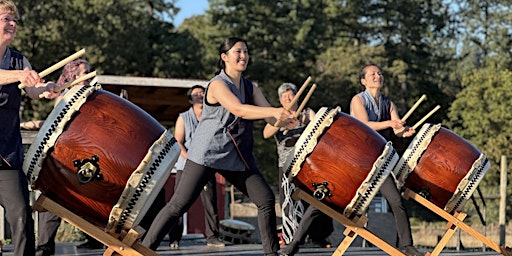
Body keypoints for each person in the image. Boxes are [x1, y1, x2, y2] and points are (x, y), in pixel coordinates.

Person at [141, 37, 292, 255]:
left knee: (266, 199)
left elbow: (271, 119)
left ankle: (272, 254)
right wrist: (274, 112)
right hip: (206, 154)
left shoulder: (251, 87)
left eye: (246, 52)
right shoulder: (217, 84)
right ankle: (145, 250)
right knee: (178, 205)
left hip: (236, 154)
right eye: (238, 51)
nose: (243, 56)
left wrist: (286, 120)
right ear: (224, 57)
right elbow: (239, 109)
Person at [0, 1, 60, 255]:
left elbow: (31, 88)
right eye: (6, 18)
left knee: (22, 216)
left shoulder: (17, 59)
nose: (12, 24)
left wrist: (45, 89)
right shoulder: (14, 70)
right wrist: (20, 76)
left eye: (14, 20)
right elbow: (16, 78)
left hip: (7, 152)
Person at [349, 63, 421, 256]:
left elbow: (396, 128)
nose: (377, 76)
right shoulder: (358, 100)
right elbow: (365, 125)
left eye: (379, 73)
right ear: (363, 81)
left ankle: (408, 246)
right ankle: (294, 242)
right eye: (372, 74)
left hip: (379, 161)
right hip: (357, 159)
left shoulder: (388, 103)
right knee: (333, 199)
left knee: (396, 201)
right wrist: (391, 123)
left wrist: (404, 132)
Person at [35, 59, 104, 256]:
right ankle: (44, 249)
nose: (89, 76)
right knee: (52, 202)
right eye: (84, 73)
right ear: (73, 76)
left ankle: (97, 240)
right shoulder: (63, 98)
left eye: (89, 72)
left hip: (88, 157)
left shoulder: (94, 96)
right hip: (65, 157)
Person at [263, 83, 333, 256]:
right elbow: (266, 133)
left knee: (317, 200)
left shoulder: (306, 112)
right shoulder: (277, 114)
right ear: (280, 100)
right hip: (287, 165)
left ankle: (318, 236)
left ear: (298, 96)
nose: (288, 98)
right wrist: (283, 122)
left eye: (291, 95)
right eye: (285, 96)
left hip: (310, 164)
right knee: (289, 202)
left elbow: (321, 127)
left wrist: (303, 121)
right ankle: (290, 238)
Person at [167, 84, 224, 248]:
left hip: (207, 164)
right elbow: (178, 142)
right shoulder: (183, 117)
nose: (200, 95)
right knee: (179, 202)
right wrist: (191, 158)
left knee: (210, 202)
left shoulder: (213, 116)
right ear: (191, 99)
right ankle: (174, 238)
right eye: (196, 93)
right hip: (186, 165)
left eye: (203, 92)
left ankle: (213, 237)